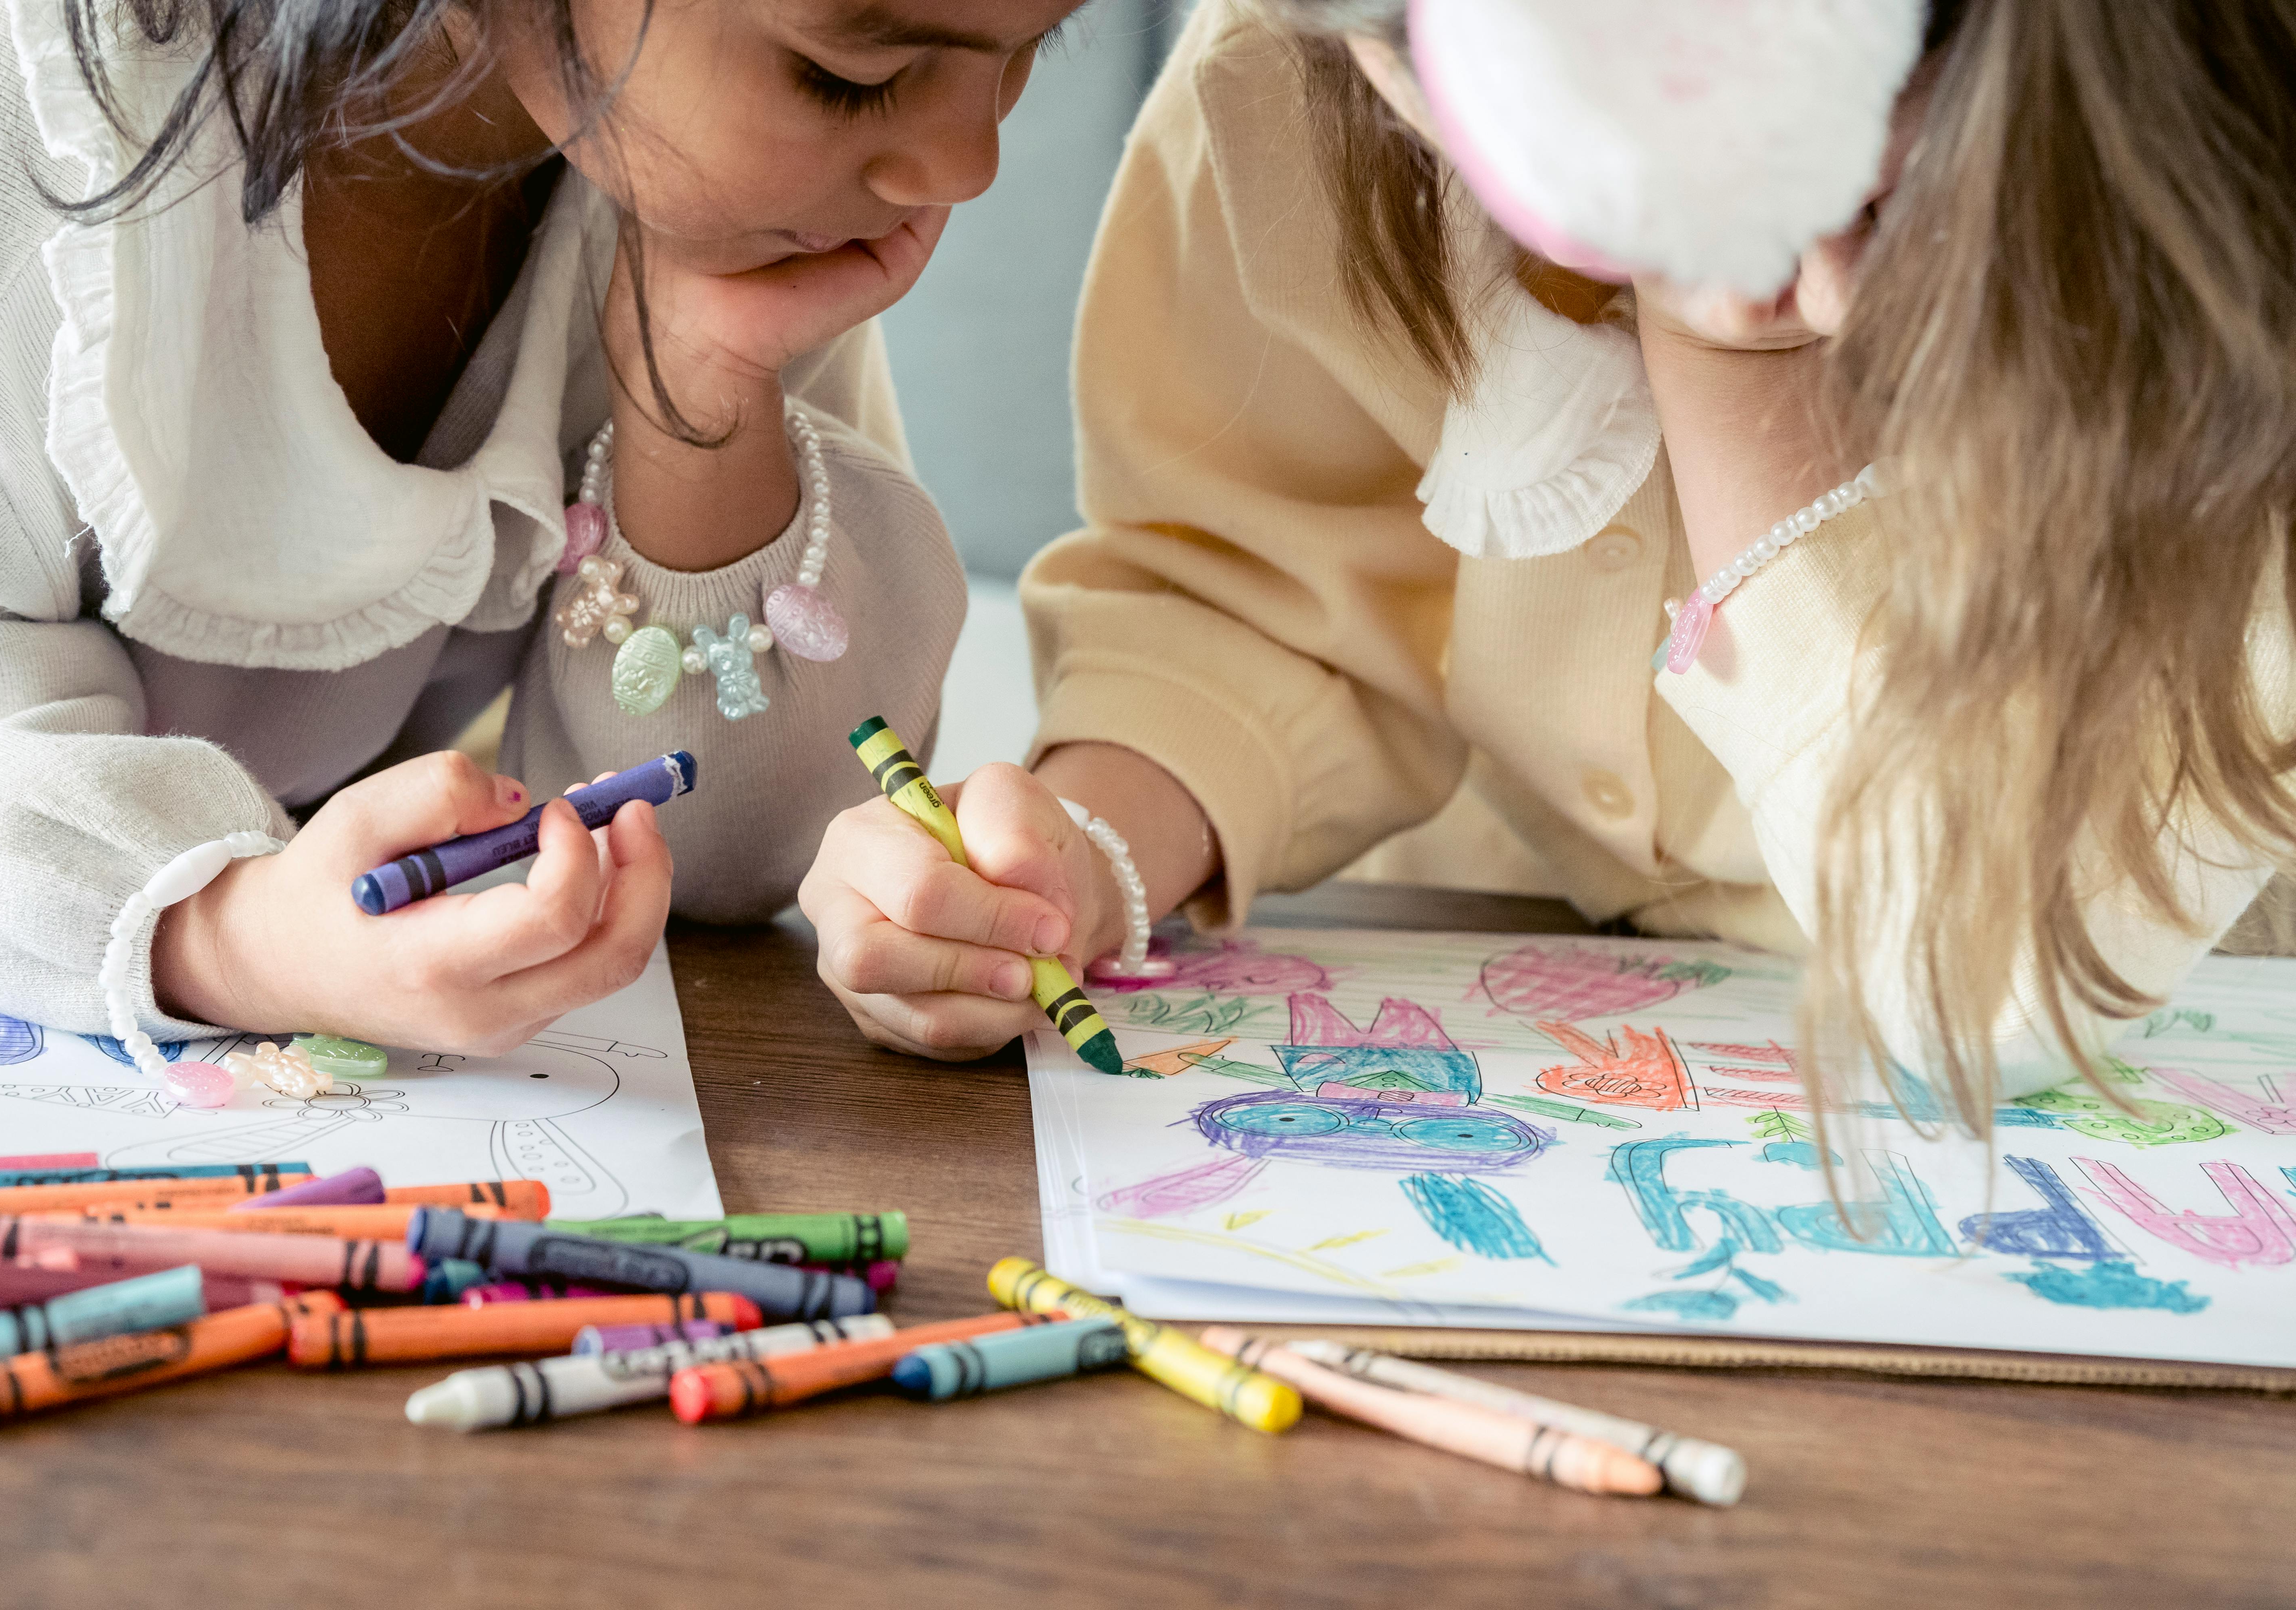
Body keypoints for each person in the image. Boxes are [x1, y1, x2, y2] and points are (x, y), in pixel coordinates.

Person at [801, 0, 2296, 1127]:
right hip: (1494, 1014)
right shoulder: (1304, 77)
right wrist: (1076, 855)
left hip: (2123, 1045)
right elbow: (1254, 599)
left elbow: (1985, 978)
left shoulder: (2207, 194)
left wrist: (1732, 327)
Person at [0, 0, 1082, 1062]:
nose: (963, 165)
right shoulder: (9, 119)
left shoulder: (709, 194)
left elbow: (733, 859)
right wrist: (226, 932)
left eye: (1036, 47)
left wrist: (697, 403)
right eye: (851, 73)